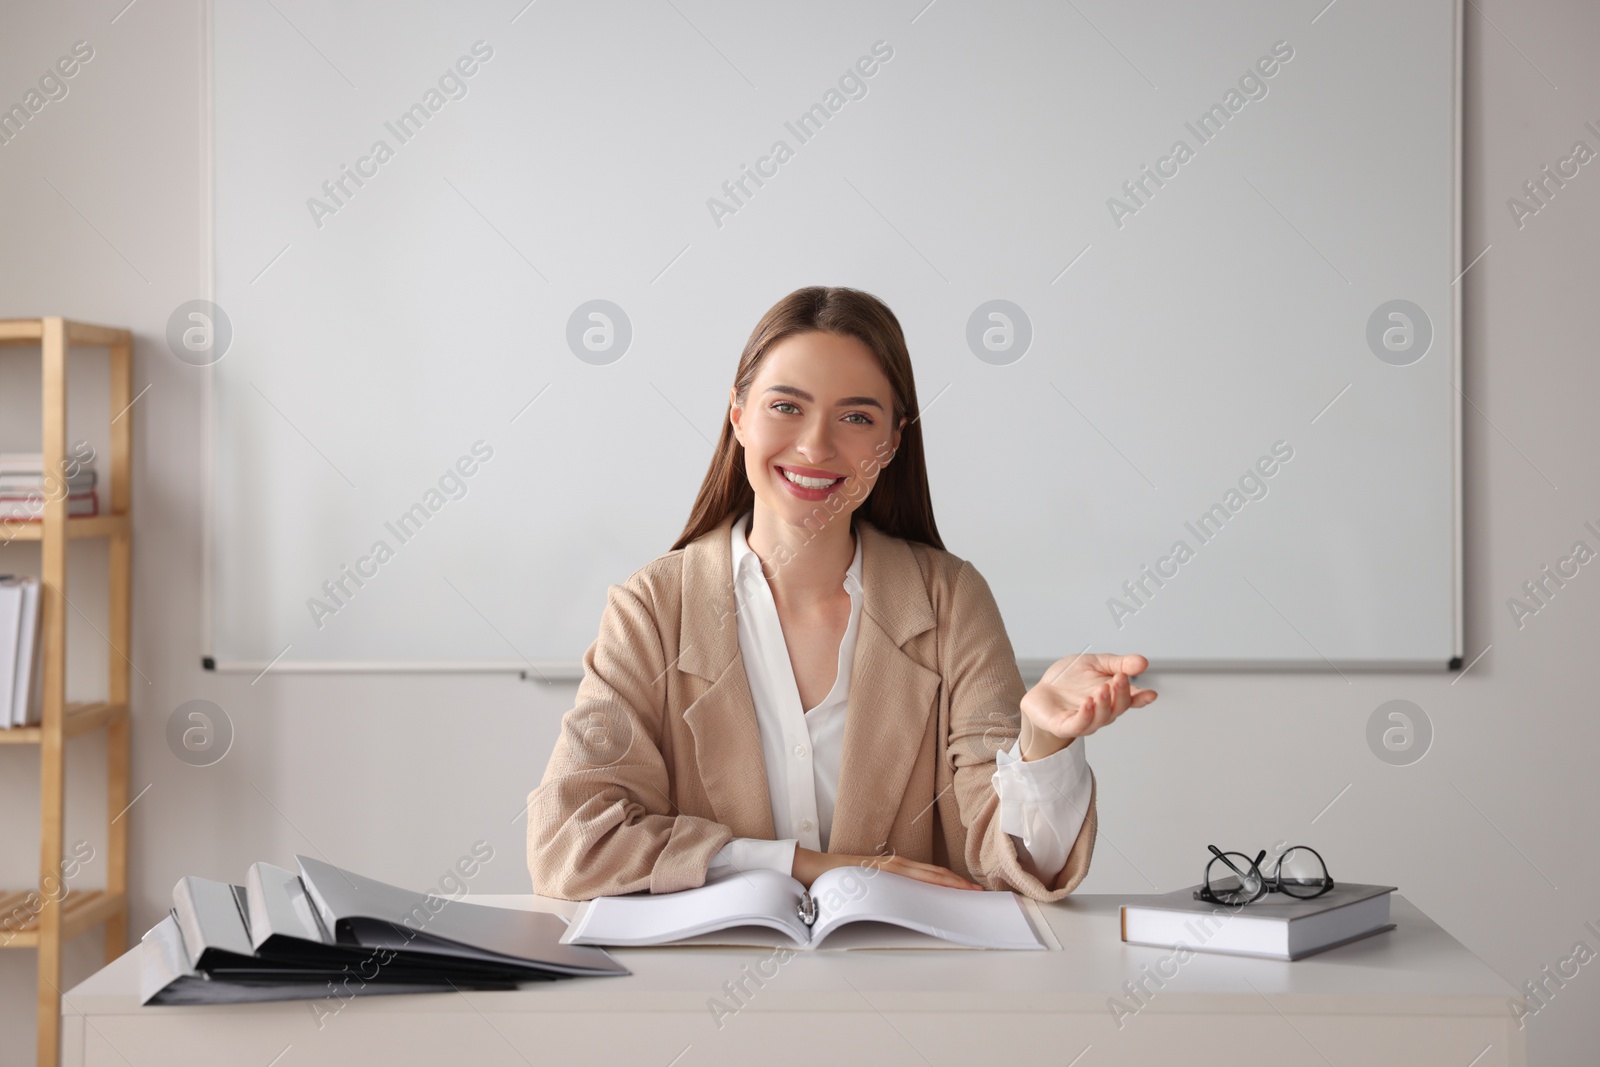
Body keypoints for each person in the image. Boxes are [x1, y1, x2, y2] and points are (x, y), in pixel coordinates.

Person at [526, 285, 1156, 902]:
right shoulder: (653, 609)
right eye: (786, 406)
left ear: (892, 442)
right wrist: (807, 866)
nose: (815, 446)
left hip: (903, 987)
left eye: (856, 417)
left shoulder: (949, 600)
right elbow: (568, 841)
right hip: (706, 986)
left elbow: (1012, 866)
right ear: (738, 414)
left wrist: (1042, 745)